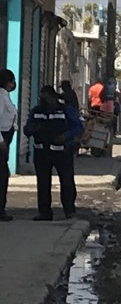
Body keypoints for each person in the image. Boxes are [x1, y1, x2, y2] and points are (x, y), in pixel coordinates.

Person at [23, 86, 84, 221]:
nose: (44, 100)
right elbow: (26, 129)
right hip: (41, 152)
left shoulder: (65, 110)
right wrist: (32, 129)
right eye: (42, 97)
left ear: (53, 96)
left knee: (66, 181)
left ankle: (69, 210)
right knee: (43, 183)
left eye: (47, 97)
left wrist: (65, 136)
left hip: (62, 152)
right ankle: (44, 212)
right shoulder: (36, 111)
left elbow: (78, 127)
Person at [0, 70, 17, 222]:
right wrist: (0, 141)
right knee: (2, 175)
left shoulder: (5, 96)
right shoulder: (1, 96)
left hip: (6, 139)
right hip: (1, 141)